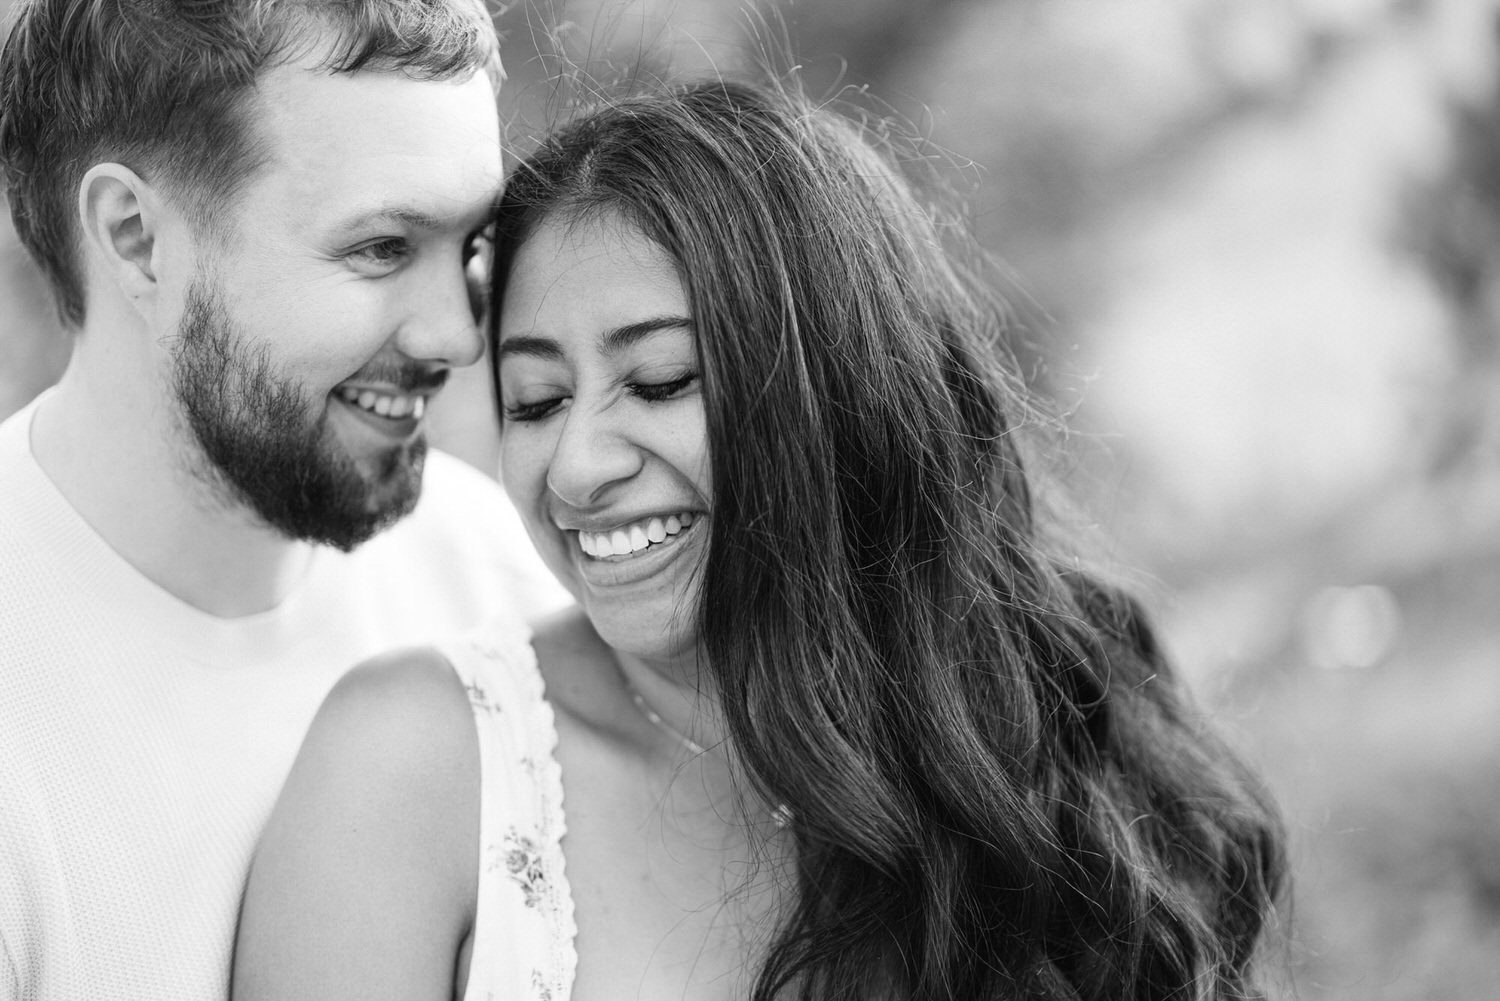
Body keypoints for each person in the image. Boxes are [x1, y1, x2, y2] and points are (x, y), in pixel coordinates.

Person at [233, 77, 1286, 1001]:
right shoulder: (416, 769)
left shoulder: (1040, 722)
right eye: (538, 399)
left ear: (836, 391)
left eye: (659, 381)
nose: (579, 465)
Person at [0, 1, 568, 997]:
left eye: (471, 246)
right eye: (384, 247)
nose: (456, 336)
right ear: (135, 236)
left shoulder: (496, 574)